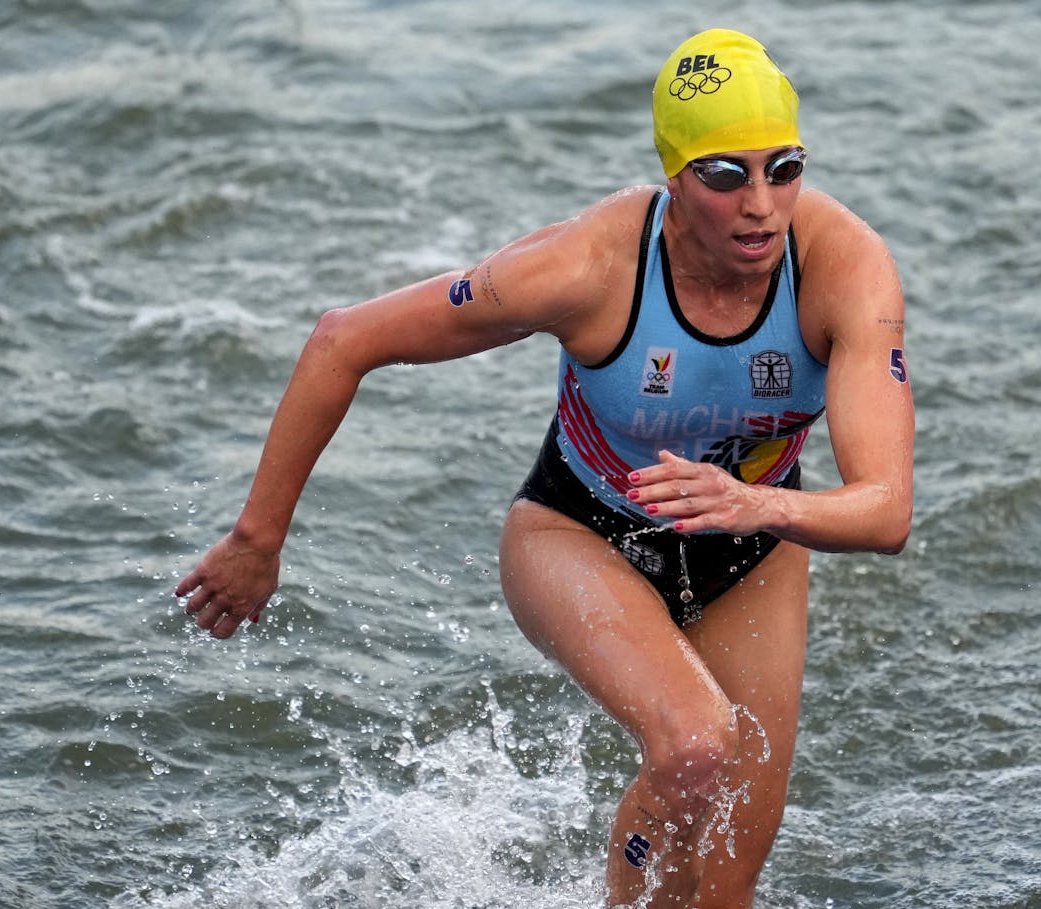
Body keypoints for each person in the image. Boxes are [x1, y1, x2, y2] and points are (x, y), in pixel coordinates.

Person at [175, 27, 913, 908]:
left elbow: (886, 510)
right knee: (696, 742)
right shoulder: (587, 267)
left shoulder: (844, 269)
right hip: (579, 532)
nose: (761, 204)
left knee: (724, 883)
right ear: (675, 178)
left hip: (749, 543)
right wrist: (258, 540)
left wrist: (753, 503)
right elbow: (344, 339)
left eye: (783, 167)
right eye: (726, 175)